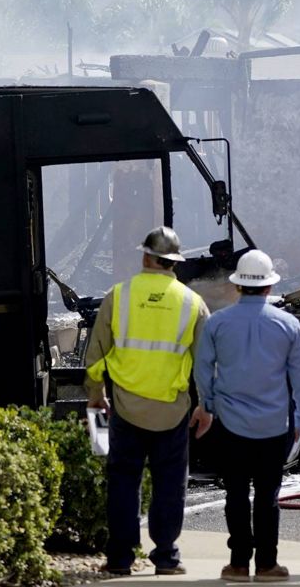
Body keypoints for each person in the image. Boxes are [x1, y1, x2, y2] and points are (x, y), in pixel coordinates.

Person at [85, 226, 212, 577]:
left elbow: (95, 355)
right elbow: (205, 364)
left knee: (123, 483)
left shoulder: (118, 296)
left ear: (145, 257)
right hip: (172, 412)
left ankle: (120, 559)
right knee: (170, 486)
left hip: (125, 410)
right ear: (173, 262)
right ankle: (166, 558)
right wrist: (205, 407)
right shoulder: (192, 303)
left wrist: (97, 397)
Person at [194, 250, 300, 583]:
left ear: (238, 287)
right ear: (268, 287)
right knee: (267, 497)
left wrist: (209, 405)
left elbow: (202, 369)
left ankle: (237, 564)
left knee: (235, 495)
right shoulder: (287, 324)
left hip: (230, 426)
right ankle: (266, 565)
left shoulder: (218, 323)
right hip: (274, 427)